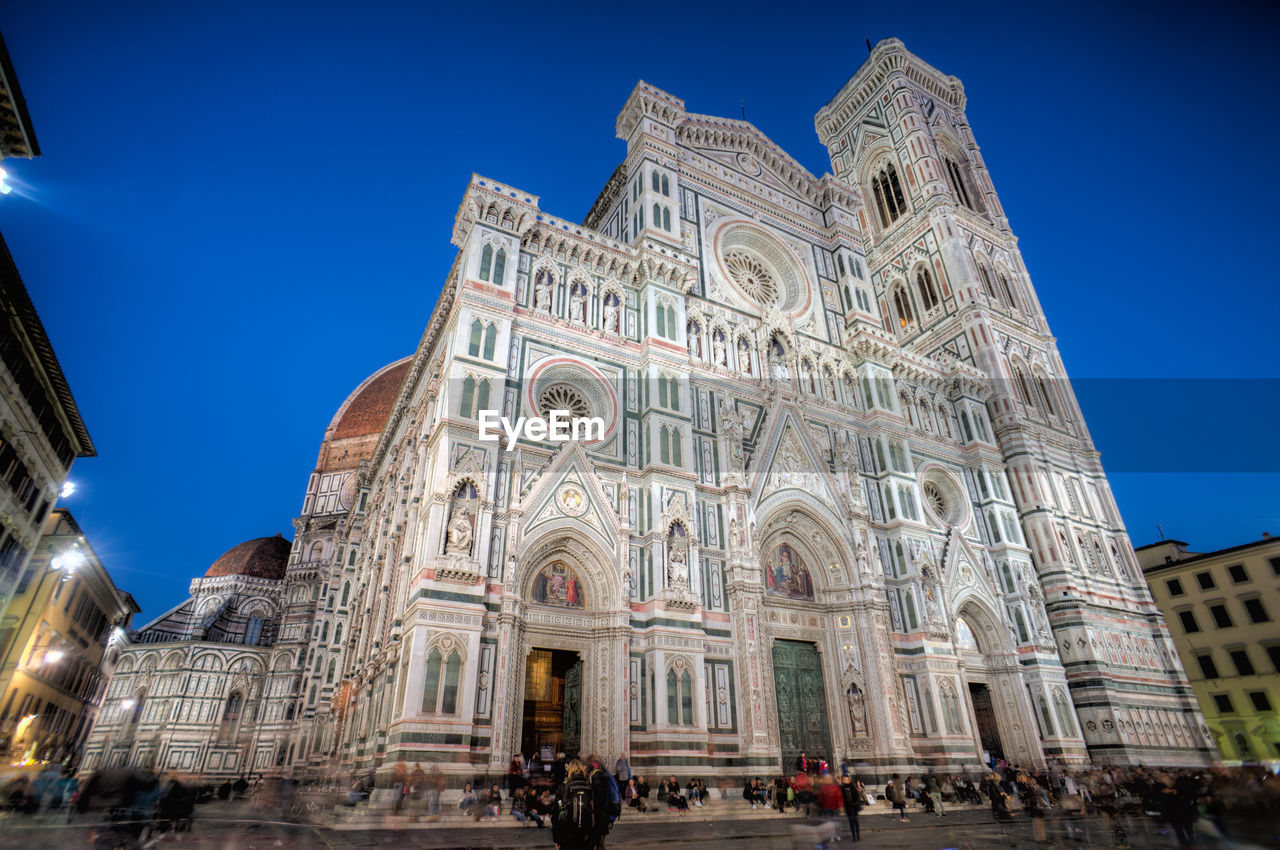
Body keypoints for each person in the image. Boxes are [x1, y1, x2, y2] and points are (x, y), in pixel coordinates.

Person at [553, 758, 608, 850]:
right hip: (587, 836)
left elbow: (556, 814)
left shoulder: (563, 787)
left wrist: (558, 839)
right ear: (583, 770)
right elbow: (597, 812)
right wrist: (596, 840)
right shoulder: (589, 786)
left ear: (569, 770)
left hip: (568, 836)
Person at [840, 775, 863, 842]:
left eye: (847, 780)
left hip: (854, 807)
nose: (846, 781)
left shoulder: (853, 787)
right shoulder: (842, 788)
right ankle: (853, 836)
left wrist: (855, 802)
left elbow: (857, 796)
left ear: (849, 780)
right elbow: (842, 798)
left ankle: (858, 835)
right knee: (851, 822)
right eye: (844, 780)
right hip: (848, 807)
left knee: (856, 821)